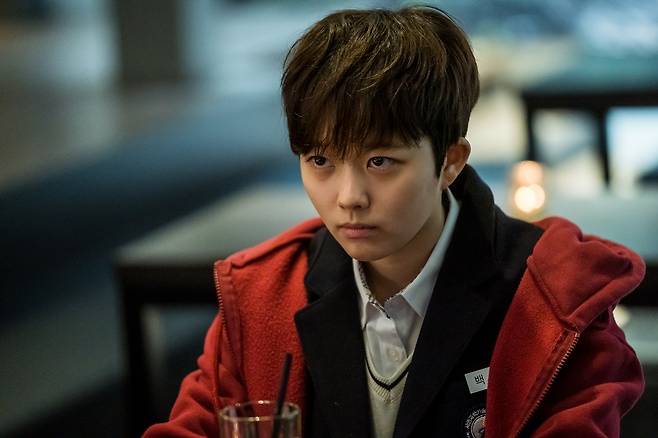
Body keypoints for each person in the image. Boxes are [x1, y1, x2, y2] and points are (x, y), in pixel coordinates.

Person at [143, 6, 645, 438]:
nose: (349, 198)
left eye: (380, 161)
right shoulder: (263, 297)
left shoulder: (556, 302)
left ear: (450, 161)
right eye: (320, 161)